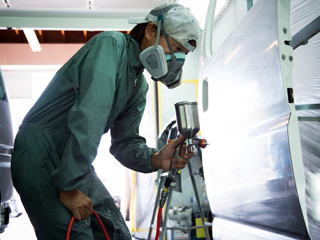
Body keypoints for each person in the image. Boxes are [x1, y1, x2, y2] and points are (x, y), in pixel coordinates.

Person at [11, 2, 199, 240]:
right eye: (176, 48)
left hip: (72, 160)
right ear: (151, 30)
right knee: (77, 234)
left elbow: (124, 143)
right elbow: (90, 116)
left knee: (117, 232)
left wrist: (155, 159)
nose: (177, 59)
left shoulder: (138, 84)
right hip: (40, 152)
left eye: (184, 54)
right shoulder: (110, 45)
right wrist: (68, 188)